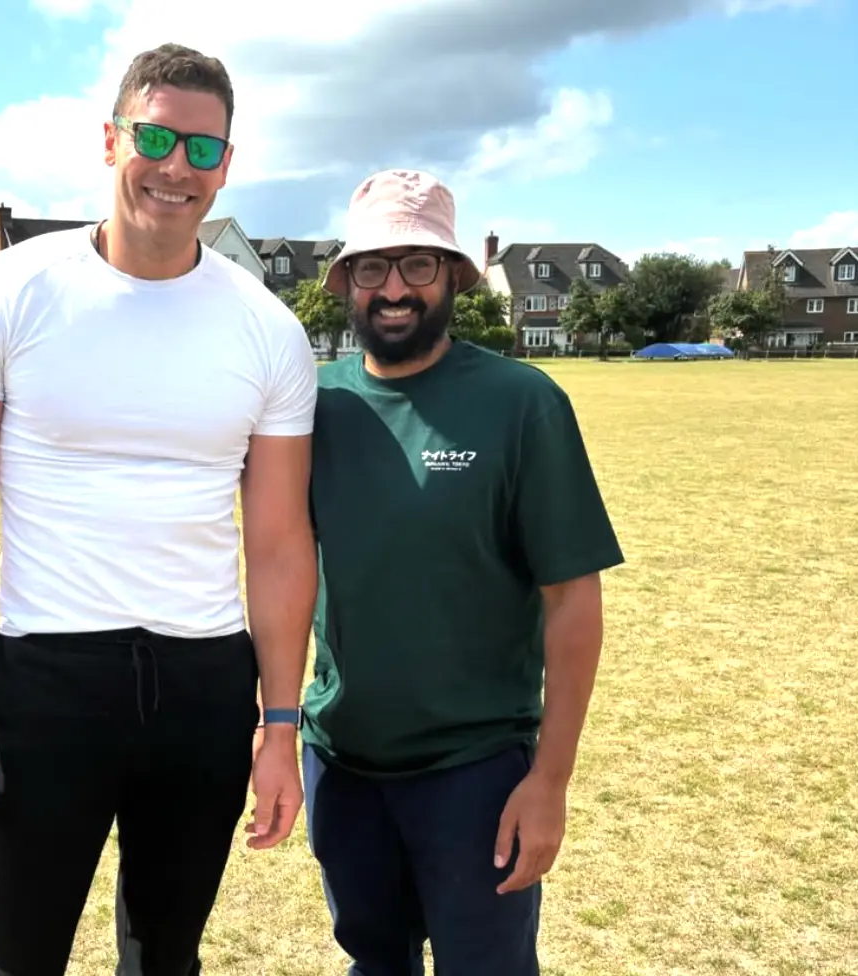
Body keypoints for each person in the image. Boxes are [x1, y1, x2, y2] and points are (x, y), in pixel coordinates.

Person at [0, 43, 319, 976]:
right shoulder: (4, 294)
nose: (177, 167)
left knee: (167, 957)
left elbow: (282, 543)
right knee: (13, 957)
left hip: (205, 688)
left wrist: (281, 725)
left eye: (203, 149)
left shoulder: (268, 328)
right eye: (157, 136)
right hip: (47, 677)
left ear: (227, 163)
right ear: (111, 139)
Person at [299, 169, 625, 975]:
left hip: (475, 772)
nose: (395, 289)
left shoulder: (520, 402)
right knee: (375, 962)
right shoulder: (310, 404)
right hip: (341, 761)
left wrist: (549, 780)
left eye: (418, 265)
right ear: (346, 282)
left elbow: (573, 602)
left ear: (453, 277)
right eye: (373, 267)